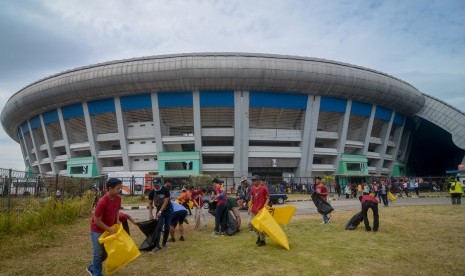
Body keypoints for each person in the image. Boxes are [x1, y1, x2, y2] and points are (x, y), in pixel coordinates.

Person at [87, 178, 123, 276]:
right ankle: (97, 273)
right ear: (110, 188)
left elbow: (116, 210)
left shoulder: (118, 198)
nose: (119, 191)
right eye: (117, 189)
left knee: (106, 252)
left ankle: (92, 266)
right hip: (97, 229)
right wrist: (109, 229)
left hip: (109, 228)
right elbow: (97, 221)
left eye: (120, 188)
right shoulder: (102, 202)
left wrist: (117, 220)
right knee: (98, 253)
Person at [148, 179, 173, 253]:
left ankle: (164, 243)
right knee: (158, 227)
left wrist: (160, 211)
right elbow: (150, 203)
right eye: (154, 185)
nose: (156, 186)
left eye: (157, 184)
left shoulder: (165, 190)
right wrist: (150, 214)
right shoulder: (152, 192)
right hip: (159, 211)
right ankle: (157, 246)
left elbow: (166, 202)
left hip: (168, 210)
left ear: (160, 183)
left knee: (167, 227)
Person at [249, 175, 269, 246]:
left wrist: (265, 205)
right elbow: (252, 199)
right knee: (251, 224)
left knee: (260, 226)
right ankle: (258, 236)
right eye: (252, 181)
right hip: (253, 210)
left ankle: (262, 240)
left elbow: (267, 198)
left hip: (260, 210)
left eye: (254, 181)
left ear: (258, 180)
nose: (253, 182)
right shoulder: (252, 189)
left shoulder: (264, 188)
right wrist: (249, 207)